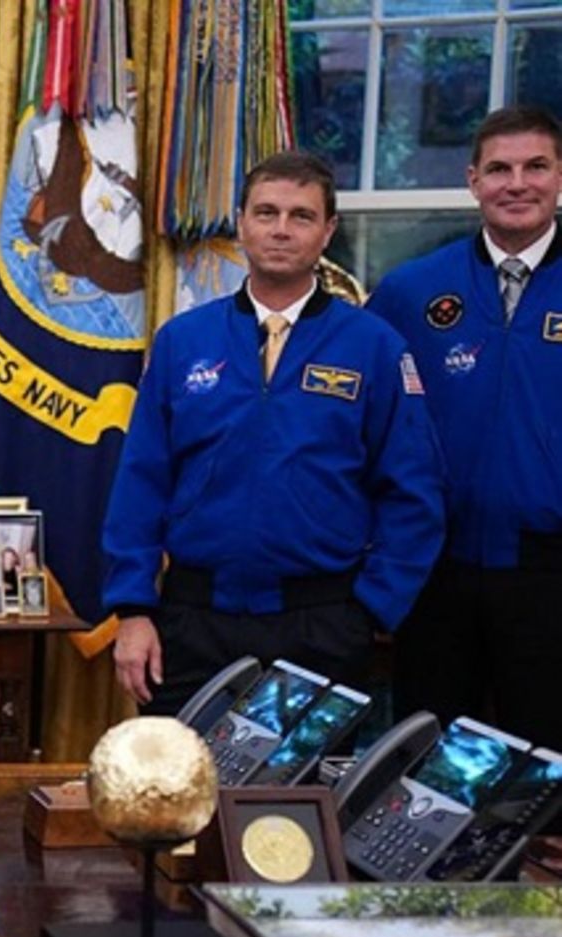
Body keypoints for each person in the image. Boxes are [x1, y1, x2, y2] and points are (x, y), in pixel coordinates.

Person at [102, 151, 445, 716]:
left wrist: (373, 609)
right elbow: (141, 484)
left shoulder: (375, 346)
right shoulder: (184, 341)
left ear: (328, 231)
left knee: (305, 780)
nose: (281, 229)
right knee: (181, 774)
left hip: (321, 626)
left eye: (301, 216)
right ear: (241, 223)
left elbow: (414, 491)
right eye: (266, 213)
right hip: (192, 624)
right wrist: (134, 609)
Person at [366, 106, 562, 747]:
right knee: (429, 766)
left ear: (560, 176)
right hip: (434, 572)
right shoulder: (410, 291)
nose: (518, 184)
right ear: (473, 180)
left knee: (546, 775)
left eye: (536, 167)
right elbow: (366, 428)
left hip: (550, 577)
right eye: (500, 169)